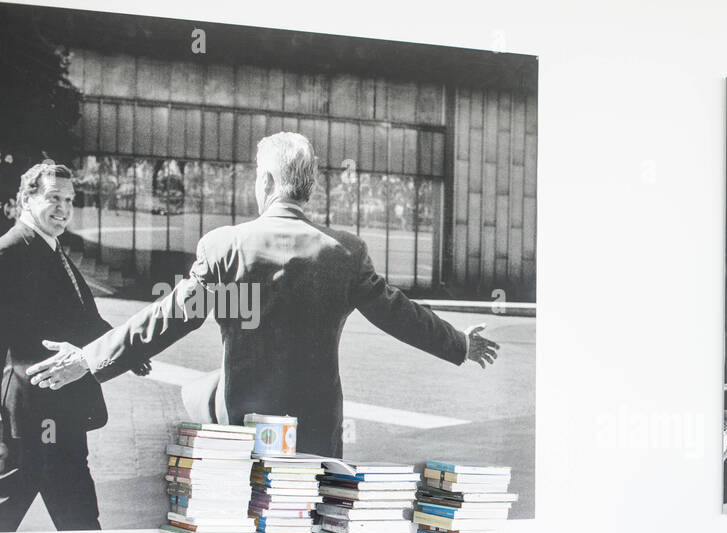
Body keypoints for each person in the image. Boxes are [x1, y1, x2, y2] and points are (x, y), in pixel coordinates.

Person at [27, 132, 497, 457]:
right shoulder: (345, 253)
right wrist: (460, 343)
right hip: (316, 432)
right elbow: (399, 315)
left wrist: (88, 361)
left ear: (267, 182)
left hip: (245, 430)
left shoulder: (227, 247)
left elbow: (170, 318)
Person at [0, 161, 151, 532]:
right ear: (26, 199)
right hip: (27, 418)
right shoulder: (11, 251)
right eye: (54, 198)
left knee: (81, 523)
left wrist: (127, 351)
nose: (63, 209)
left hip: (61, 417)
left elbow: (85, 319)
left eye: (69, 200)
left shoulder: (52, 250)